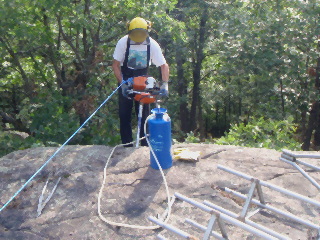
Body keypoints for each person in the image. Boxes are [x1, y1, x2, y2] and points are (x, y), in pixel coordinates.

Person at [112, 17, 169, 147]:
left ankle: (144, 145)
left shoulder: (151, 44)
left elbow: (163, 65)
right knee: (124, 114)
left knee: (144, 116)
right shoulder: (123, 43)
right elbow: (115, 65)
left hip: (144, 80)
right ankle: (126, 145)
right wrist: (122, 83)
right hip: (126, 78)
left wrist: (165, 84)